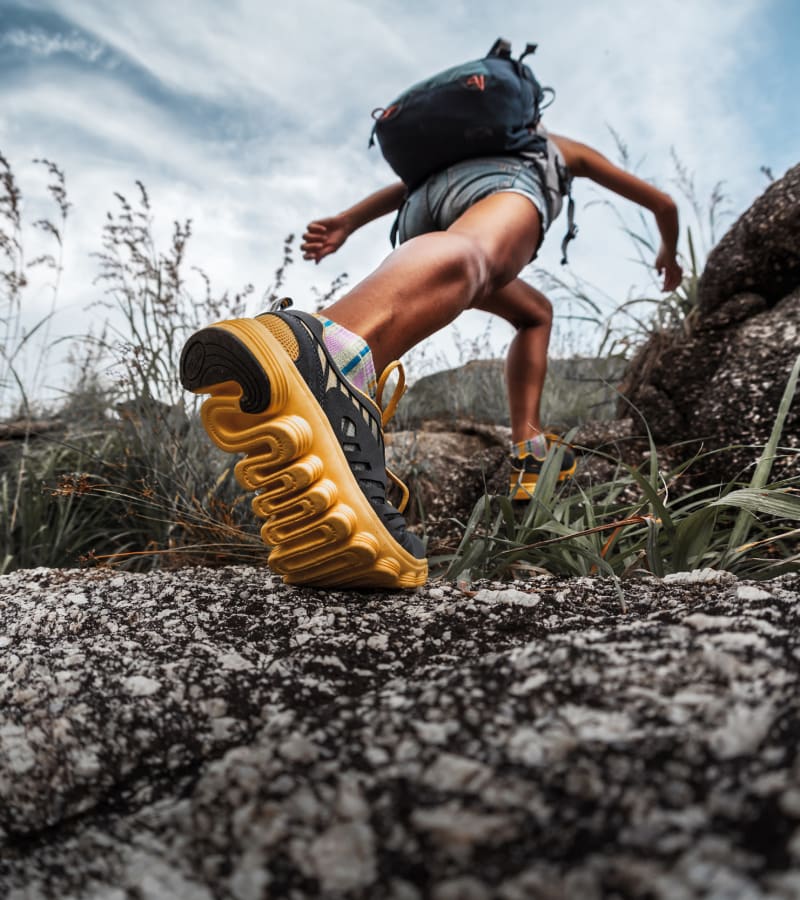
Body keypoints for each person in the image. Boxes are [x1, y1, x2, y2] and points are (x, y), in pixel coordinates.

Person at [180, 110, 681, 592]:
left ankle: (523, 447)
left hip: (422, 212)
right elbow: (665, 206)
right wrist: (668, 252)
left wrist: (346, 222)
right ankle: (324, 349)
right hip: (500, 191)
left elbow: (406, 188)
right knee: (477, 256)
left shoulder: (452, 154)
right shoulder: (547, 146)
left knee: (534, 311)